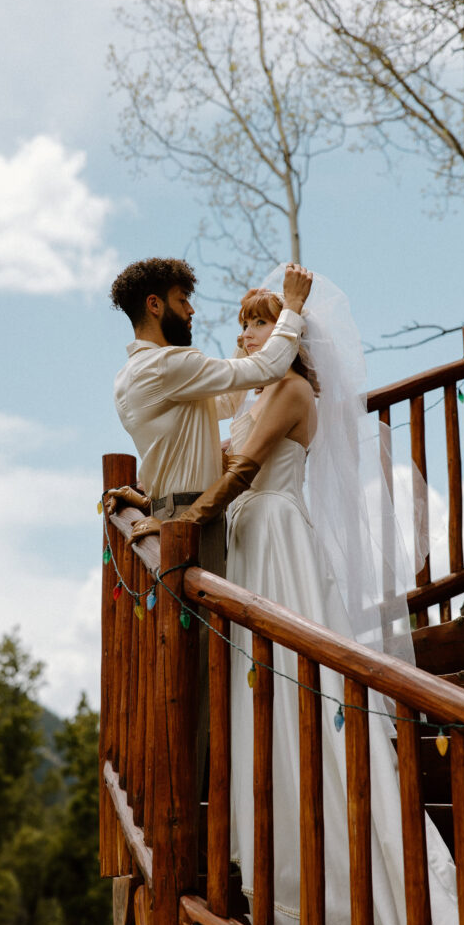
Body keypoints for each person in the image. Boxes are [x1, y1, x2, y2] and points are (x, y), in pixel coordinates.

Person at [135, 266, 464, 925]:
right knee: (261, 696)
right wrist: (154, 499)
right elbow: (207, 457)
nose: (243, 334)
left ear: (291, 334)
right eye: (242, 322)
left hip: (274, 537)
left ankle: (393, 908)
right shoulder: (253, 393)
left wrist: (188, 520)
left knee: (304, 695)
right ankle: (289, 879)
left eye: (258, 322)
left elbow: (241, 471)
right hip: (248, 544)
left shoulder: (291, 390)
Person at [109, 256, 312, 790]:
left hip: (179, 513)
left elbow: (226, 398)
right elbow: (255, 375)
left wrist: (259, 350)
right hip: (190, 523)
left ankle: (198, 793)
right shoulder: (165, 365)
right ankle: (192, 796)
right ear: (154, 305)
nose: (192, 309)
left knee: (199, 664)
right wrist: (288, 312)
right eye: (182, 299)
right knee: (199, 669)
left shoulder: (142, 373)